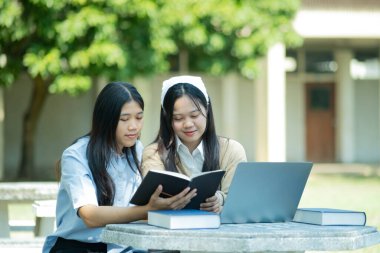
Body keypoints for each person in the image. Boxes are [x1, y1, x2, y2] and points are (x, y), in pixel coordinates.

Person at [43, 82, 196, 253]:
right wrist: (145, 211)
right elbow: (89, 216)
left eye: (139, 117)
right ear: (106, 120)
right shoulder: (76, 155)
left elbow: (139, 205)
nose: (134, 126)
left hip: (123, 245)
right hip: (79, 247)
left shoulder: (137, 150)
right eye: (124, 119)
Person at [141, 75, 247, 213]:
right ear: (168, 119)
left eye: (195, 115)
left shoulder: (231, 150)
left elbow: (239, 200)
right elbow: (155, 199)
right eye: (178, 118)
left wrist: (219, 201)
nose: (188, 124)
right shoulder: (154, 153)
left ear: (207, 110)